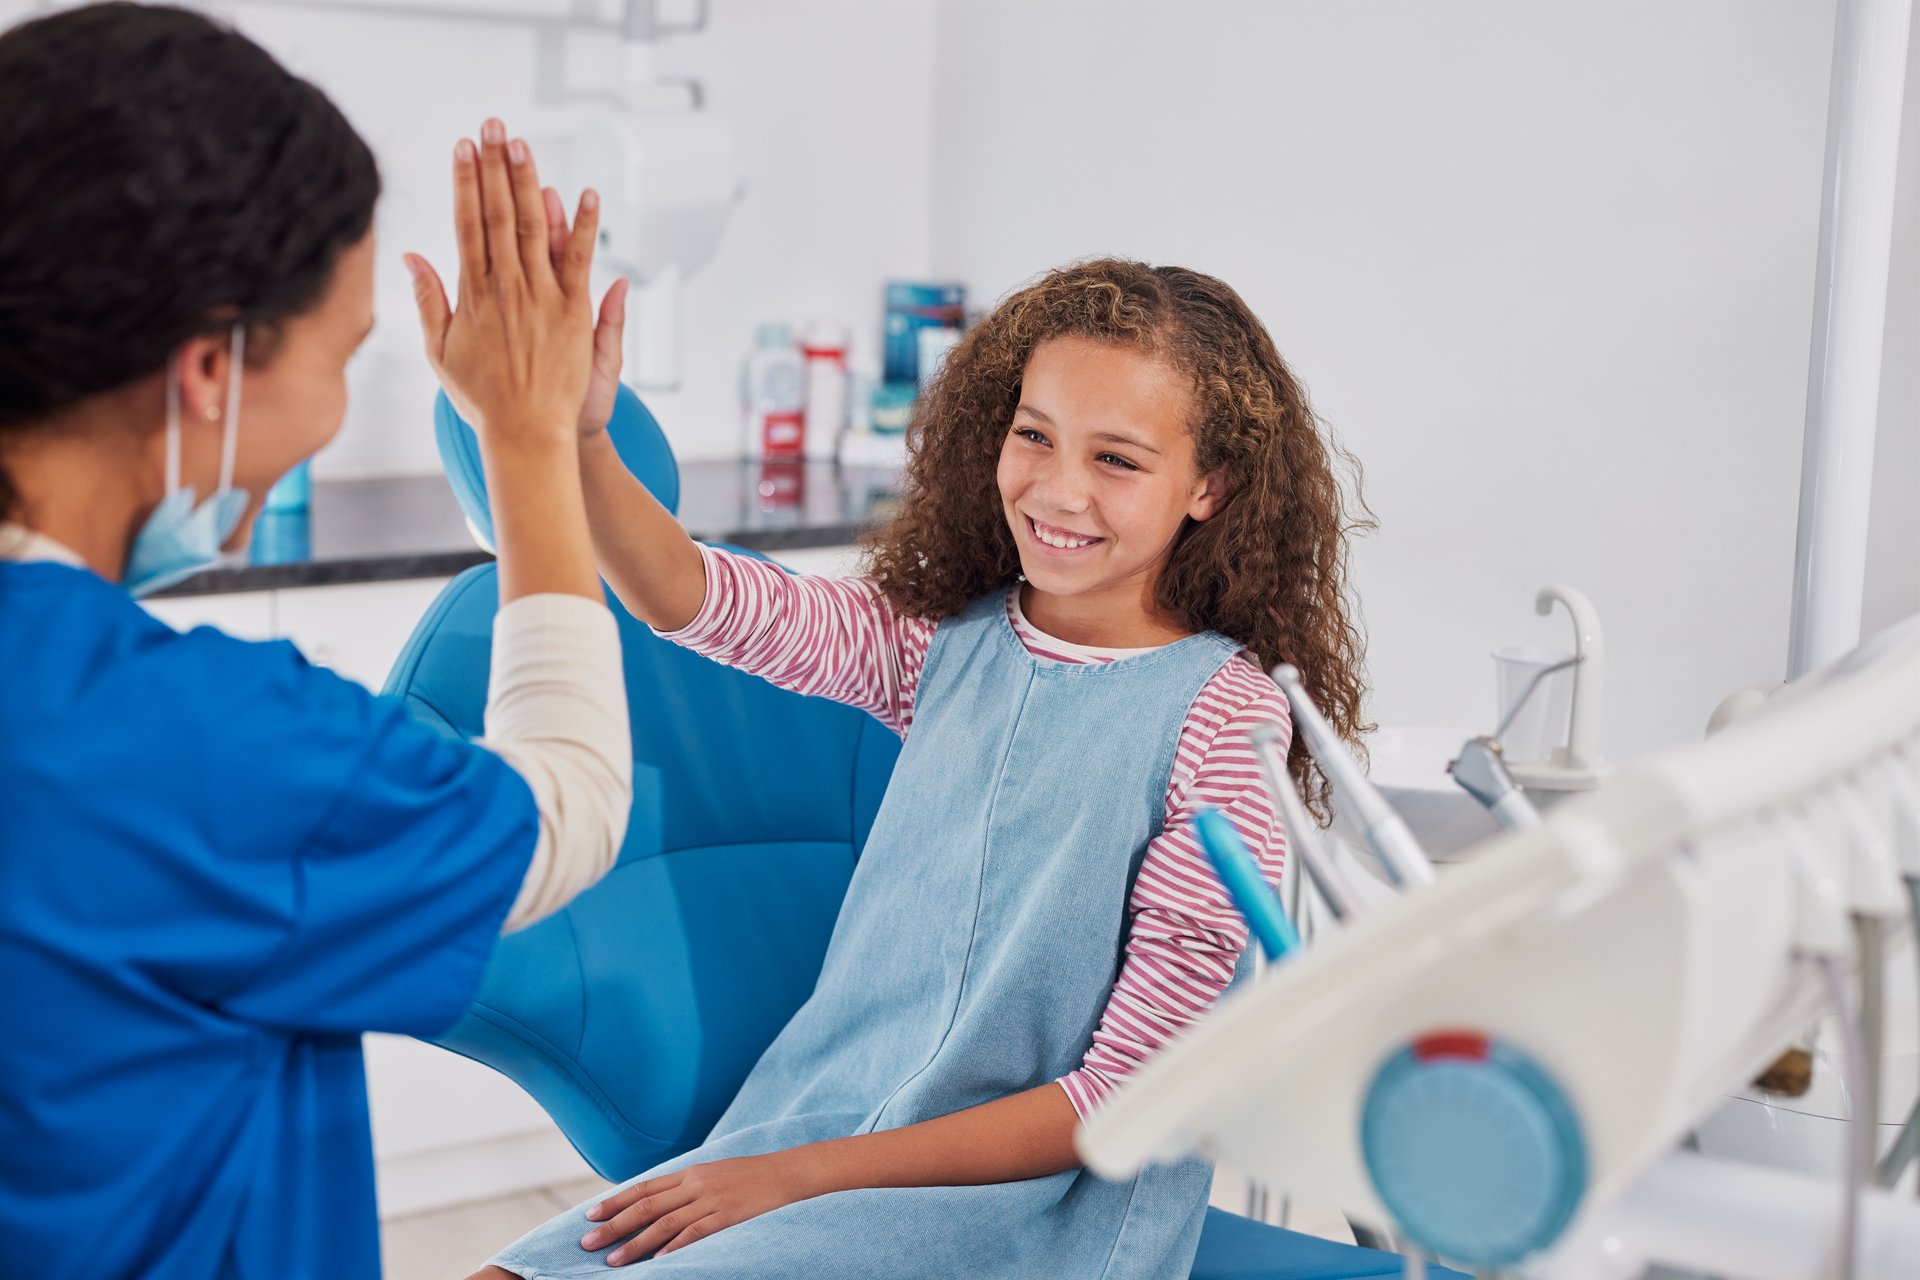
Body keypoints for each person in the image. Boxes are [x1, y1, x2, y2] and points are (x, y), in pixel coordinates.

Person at [479, 258, 1372, 1278]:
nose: (1059, 487)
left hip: (1027, 1205)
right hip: (815, 1133)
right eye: (1033, 433)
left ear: (1208, 486)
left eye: (1118, 459)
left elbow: (1125, 1095)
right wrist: (578, 438)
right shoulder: (937, 641)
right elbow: (691, 596)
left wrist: (807, 1177)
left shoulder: (1226, 722)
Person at [0, 5, 636, 1276]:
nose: (341, 406)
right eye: (344, 354)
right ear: (210, 370)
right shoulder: (190, 741)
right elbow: (566, 805)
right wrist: (528, 439)